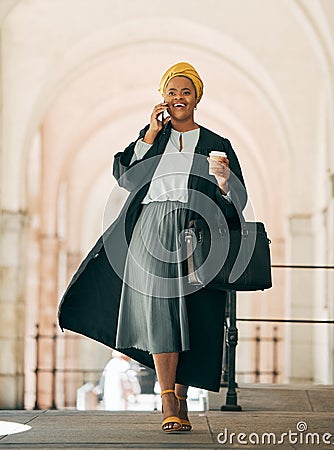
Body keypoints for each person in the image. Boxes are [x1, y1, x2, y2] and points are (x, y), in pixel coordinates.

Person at [58, 62, 247, 433]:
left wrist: (225, 183)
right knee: (161, 312)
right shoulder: (152, 138)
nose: (179, 98)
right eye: (172, 92)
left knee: (193, 313)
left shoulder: (217, 144)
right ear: (163, 98)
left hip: (199, 232)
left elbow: (237, 199)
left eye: (186, 92)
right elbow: (127, 179)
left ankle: (181, 395)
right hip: (152, 228)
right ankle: (167, 401)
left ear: (197, 97)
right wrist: (149, 134)